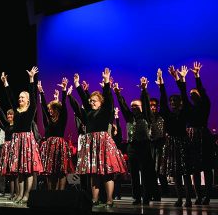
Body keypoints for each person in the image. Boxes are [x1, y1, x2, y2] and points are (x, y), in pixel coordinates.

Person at [71, 68, 126, 207]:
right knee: (93, 173)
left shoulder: (106, 110)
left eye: (95, 101)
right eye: (91, 101)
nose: (92, 103)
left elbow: (108, 98)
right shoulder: (89, 112)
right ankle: (94, 199)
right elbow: (84, 98)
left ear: (101, 102)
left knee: (107, 173)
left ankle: (109, 199)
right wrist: (77, 84)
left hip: (102, 143)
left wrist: (107, 81)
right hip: (91, 143)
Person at [113, 77, 160, 205]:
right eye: (132, 106)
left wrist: (144, 90)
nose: (133, 108)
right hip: (132, 147)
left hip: (144, 145)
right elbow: (123, 106)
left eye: (136, 106)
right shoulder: (129, 118)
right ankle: (137, 197)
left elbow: (145, 103)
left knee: (145, 173)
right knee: (133, 173)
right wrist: (118, 94)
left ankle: (146, 196)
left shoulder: (146, 116)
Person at [1, 67, 43, 204]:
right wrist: (5, 82)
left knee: (28, 170)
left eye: (22, 97)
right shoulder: (16, 110)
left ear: (28, 100)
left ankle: (26, 194)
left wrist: (31, 79)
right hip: (17, 140)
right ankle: (19, 194)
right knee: (19, 170)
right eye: (19, 97)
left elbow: (32, 93)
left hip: (26, 140)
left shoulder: (31, 109)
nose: (20, 99)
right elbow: (10, 96)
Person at [176, 62, 214, 205]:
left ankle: (208, 195)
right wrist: (182, 79)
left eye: (195, 93)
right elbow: (183, 95)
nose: (192, 94)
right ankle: (198, 195)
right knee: (194, 168)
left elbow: (202, 92)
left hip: (203, 136)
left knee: (207, 167)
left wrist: (197, 76)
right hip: (190, 137)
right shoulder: (188, 108)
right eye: (191, 94)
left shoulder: (205, 105)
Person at [157, 67, 192, 207]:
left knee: (185, 172)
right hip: (171, 143)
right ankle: (179, 198)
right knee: (176, 174)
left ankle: (189, 198)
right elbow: (163, 101)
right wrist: (161, 84)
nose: (172, 103)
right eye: (171, 101)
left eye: (175, 101)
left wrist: (178, 79)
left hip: (182, 142)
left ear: (180, 103)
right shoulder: (167, 114)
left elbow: (184, 94)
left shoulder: (184, 113)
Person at [37, 78, 73, 190]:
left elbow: (64, 109)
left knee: (61, 170)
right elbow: (43, 109)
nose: (49, 111)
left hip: (59, 146)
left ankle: (60, 193)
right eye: (49, 109)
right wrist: (41, 92)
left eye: (51, 109)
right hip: (49, 147)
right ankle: (50, 192)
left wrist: (63, 90)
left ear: (56, 109)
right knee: (49, 170)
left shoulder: (62, 119)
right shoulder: (48, 119)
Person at [149, 98, 169, 195]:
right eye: (151, 105)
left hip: (161, 143)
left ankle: (165, 191)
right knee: (152, 169)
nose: (153, 107)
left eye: (154, 105)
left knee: (161, 168)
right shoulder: (147, 117)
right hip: (151, 144)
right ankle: (154, 191)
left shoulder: (162, 116)